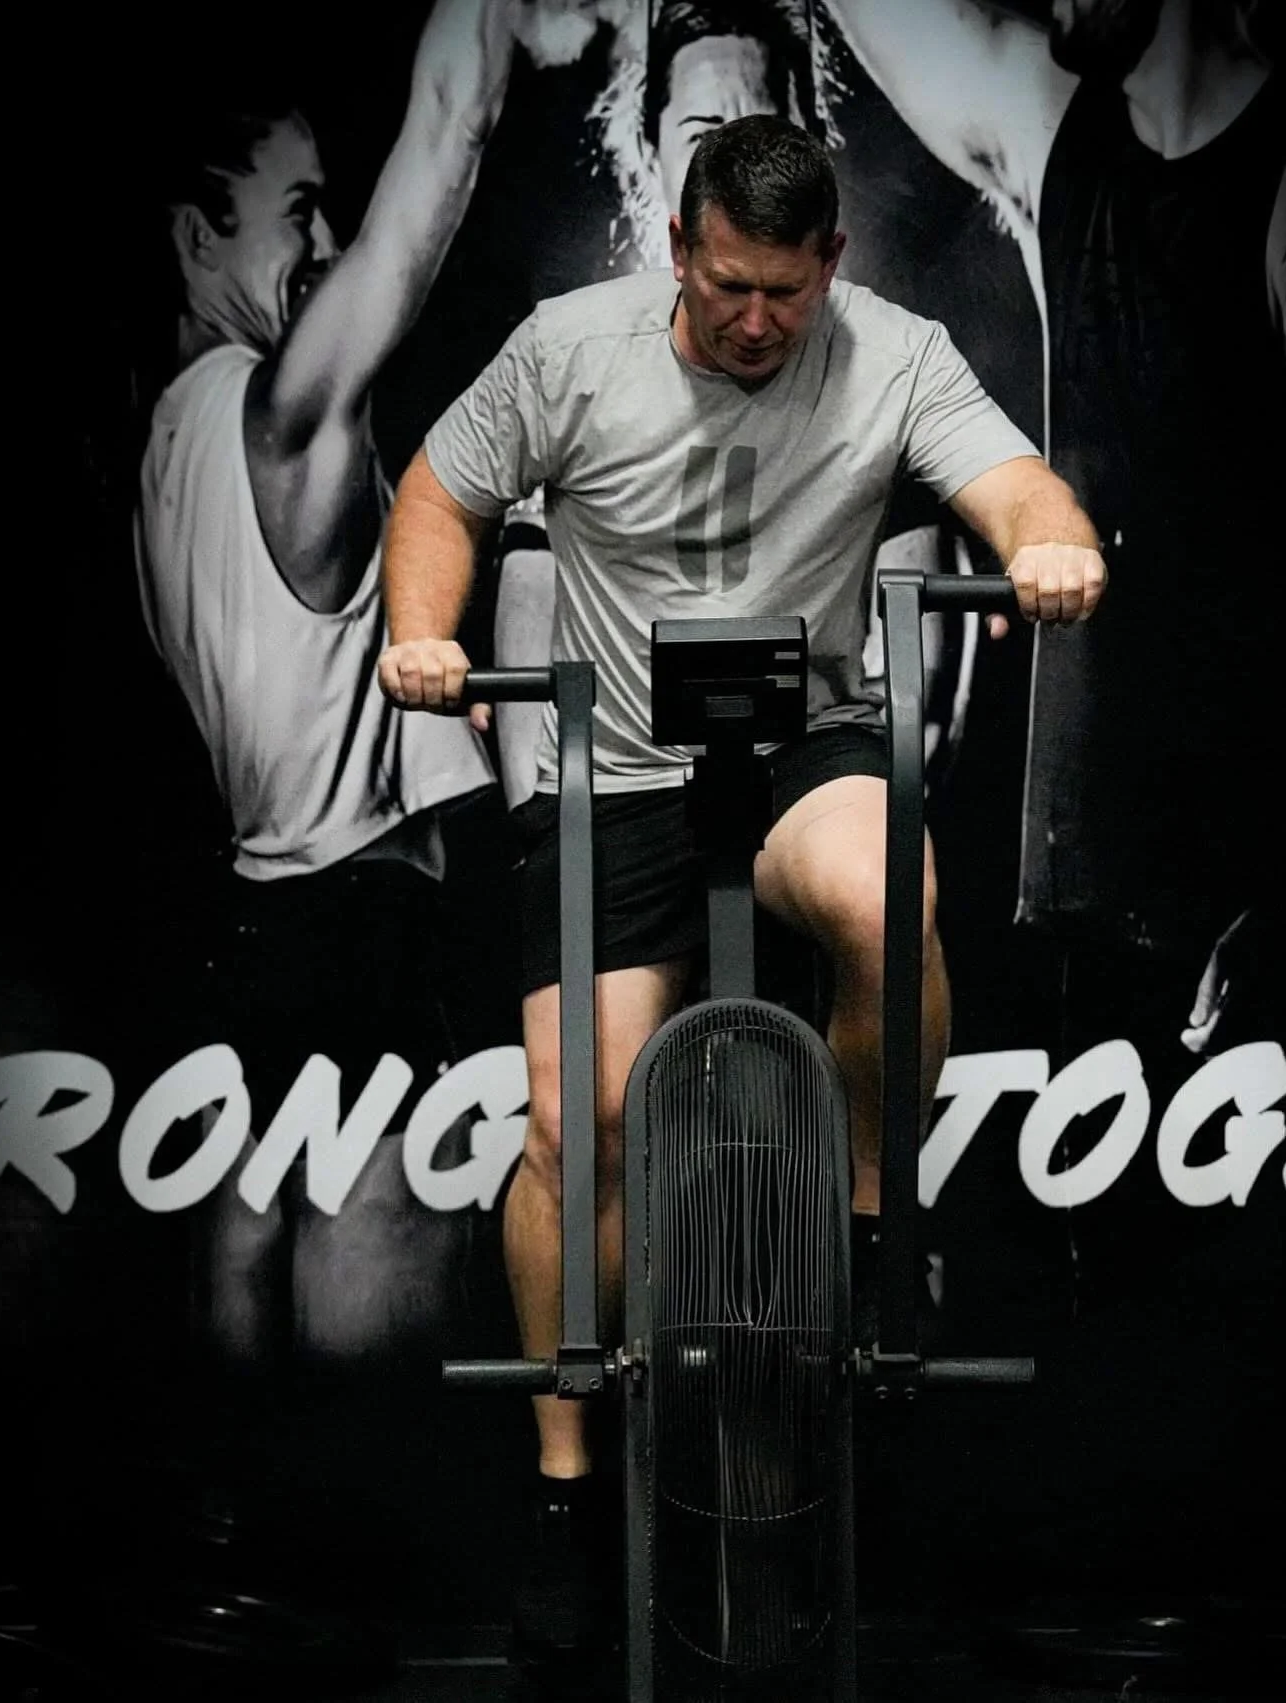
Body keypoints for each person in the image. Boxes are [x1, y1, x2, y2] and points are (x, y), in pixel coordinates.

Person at [378, 112, 1106, 1651]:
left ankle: (860, 1230)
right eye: (725, 288)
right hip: (616, 760)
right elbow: (439, 494)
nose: (754, 322)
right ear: (680, 255)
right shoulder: (569, 350)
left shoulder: (893, 352)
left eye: (783, 291)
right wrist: (426, 631)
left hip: (802, 743)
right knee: (585, 1120)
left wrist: (1050, 547)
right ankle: (568, 1485)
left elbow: (1024, 487)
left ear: (828, 262)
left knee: (884, 895)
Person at [827, 0, 1286, 1059]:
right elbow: (908, 21)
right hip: (1105, 903)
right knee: (1115, 1227)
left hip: (1282, 908)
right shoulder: (1072, 143)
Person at [133, 0, 522, 1364]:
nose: (330, 244)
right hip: (358, 915)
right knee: (376, 1364)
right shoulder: (279, 417)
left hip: (257, 915)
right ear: (194, 240)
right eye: (297, 212)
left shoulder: (159, 448)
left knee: (240, 1249)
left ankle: (235, 1565)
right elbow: (448, 131)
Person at [493, 0, 946, 811]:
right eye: (705, 136)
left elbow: (923, 669)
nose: (740, 172)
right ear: (650, 147)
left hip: (810, 786)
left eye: (765, 133)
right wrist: (548, 820)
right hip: (630, 803)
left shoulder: (876, 364)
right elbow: (533, 630)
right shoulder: (573, 364)